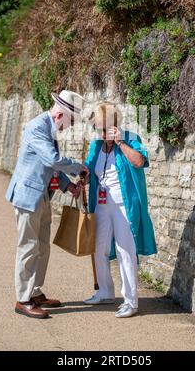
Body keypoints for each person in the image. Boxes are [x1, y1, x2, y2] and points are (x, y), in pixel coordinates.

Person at [5, 90, 89, 319]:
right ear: (60, 115)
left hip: (41, 195)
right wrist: (78, 167)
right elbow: (52, 159)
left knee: (42, 246)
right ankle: (23, 299)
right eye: (70, 123)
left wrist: (67, 186)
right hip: (28, 197)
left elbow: (49, 166)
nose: (68, 128)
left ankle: (34, 291)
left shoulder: (48, 129)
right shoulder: (37, 127)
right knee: (28, 247)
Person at [82, 102, 157, 318]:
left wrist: (120, 142)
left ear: (115, 125)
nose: (101, 133)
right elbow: (90, 167)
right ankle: (105, 292)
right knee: (99, 247)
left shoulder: (130, 138)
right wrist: (84, 176)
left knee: (126, 251)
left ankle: (130, 301)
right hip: (102, 205)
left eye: (104, 128)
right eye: (98, 128)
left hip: (124, 206)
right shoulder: (96, 145)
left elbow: (139, 161)